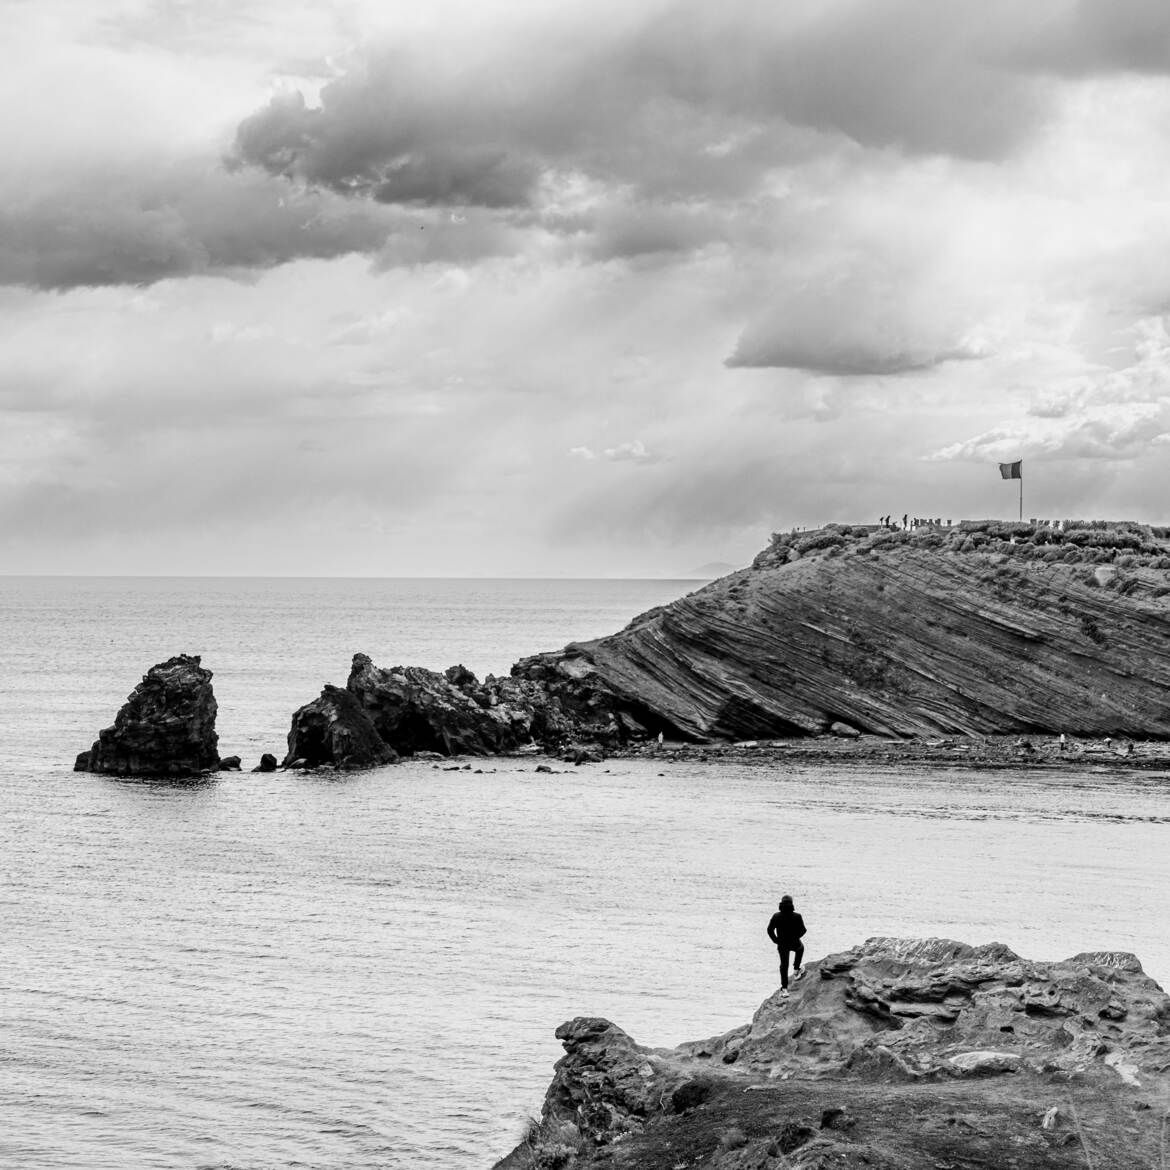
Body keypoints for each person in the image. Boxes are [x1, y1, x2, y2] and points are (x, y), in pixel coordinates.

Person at [766, 894, 807, 997]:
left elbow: (769, 930)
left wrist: (776, 940)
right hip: (794, 941)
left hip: (782, 943)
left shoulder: (776, 916)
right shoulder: (797, 916)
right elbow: (803, 930)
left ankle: (784, 990)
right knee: (800, 948)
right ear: (792, 904)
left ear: (781, 904)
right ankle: (796, 970)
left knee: (784, 966)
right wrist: (795, 937)